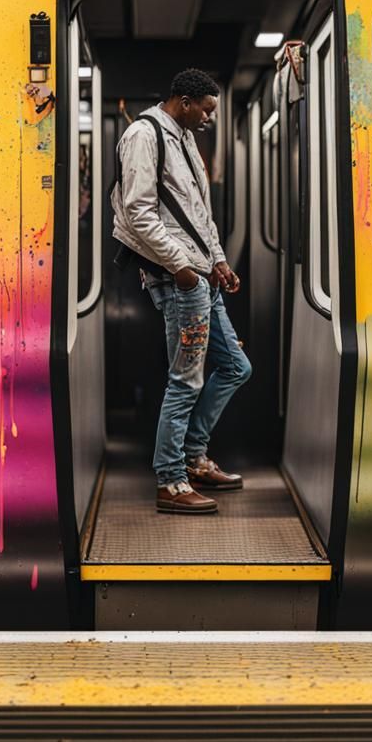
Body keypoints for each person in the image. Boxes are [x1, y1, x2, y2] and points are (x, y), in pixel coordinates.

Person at [111, 68, 252, 514]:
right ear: (185, 101)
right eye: (207, 110)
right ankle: (170, 480)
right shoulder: (144, 135)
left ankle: (193, 457)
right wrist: (182, 267)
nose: (210, 118)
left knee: (235, 367)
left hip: (200, 274)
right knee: (185, 379)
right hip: (178, 278)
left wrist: (219, 261)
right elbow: (138, 211)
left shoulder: (186, 138)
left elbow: (197, 212)